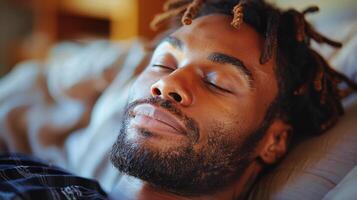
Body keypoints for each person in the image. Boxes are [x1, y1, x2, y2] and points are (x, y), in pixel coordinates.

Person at [0, 0, 356, 199]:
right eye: (163, 63)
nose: (167, 84)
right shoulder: (37, 171)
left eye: (217, 82)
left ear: (274, 141)